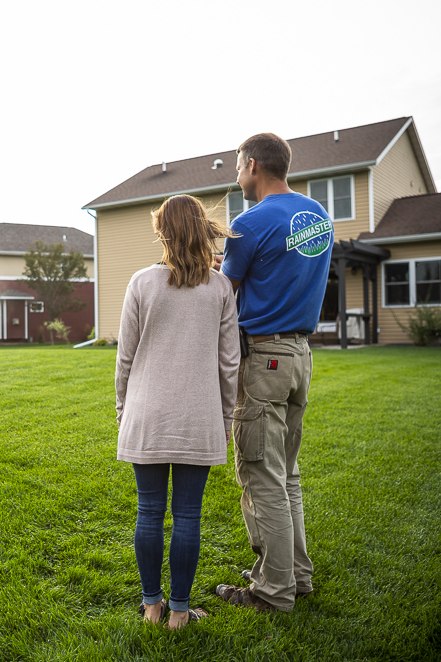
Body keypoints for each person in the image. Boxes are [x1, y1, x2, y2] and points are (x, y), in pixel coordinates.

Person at [216, 132, 334, 612]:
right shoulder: (318, 216)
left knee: (261, 473)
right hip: (301, 356)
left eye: (238, 167)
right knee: (287, 474)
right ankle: (293, 576)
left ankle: (272, 592)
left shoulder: (250, 222)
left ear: (252, 165)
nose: (236, 176)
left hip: (264, 357)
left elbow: (223, 293)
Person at [116, 194, 240, 629]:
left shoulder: (140, 283)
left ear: (163, 231)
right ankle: (180, 613)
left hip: (145, 414)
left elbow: (125, 359)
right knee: (188, 515)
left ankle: (152, 606)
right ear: (202, 230)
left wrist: (122, 410)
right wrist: (225, 419)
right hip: (198, 416)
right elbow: (230, 364)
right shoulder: (221, 287)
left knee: (148, 512)